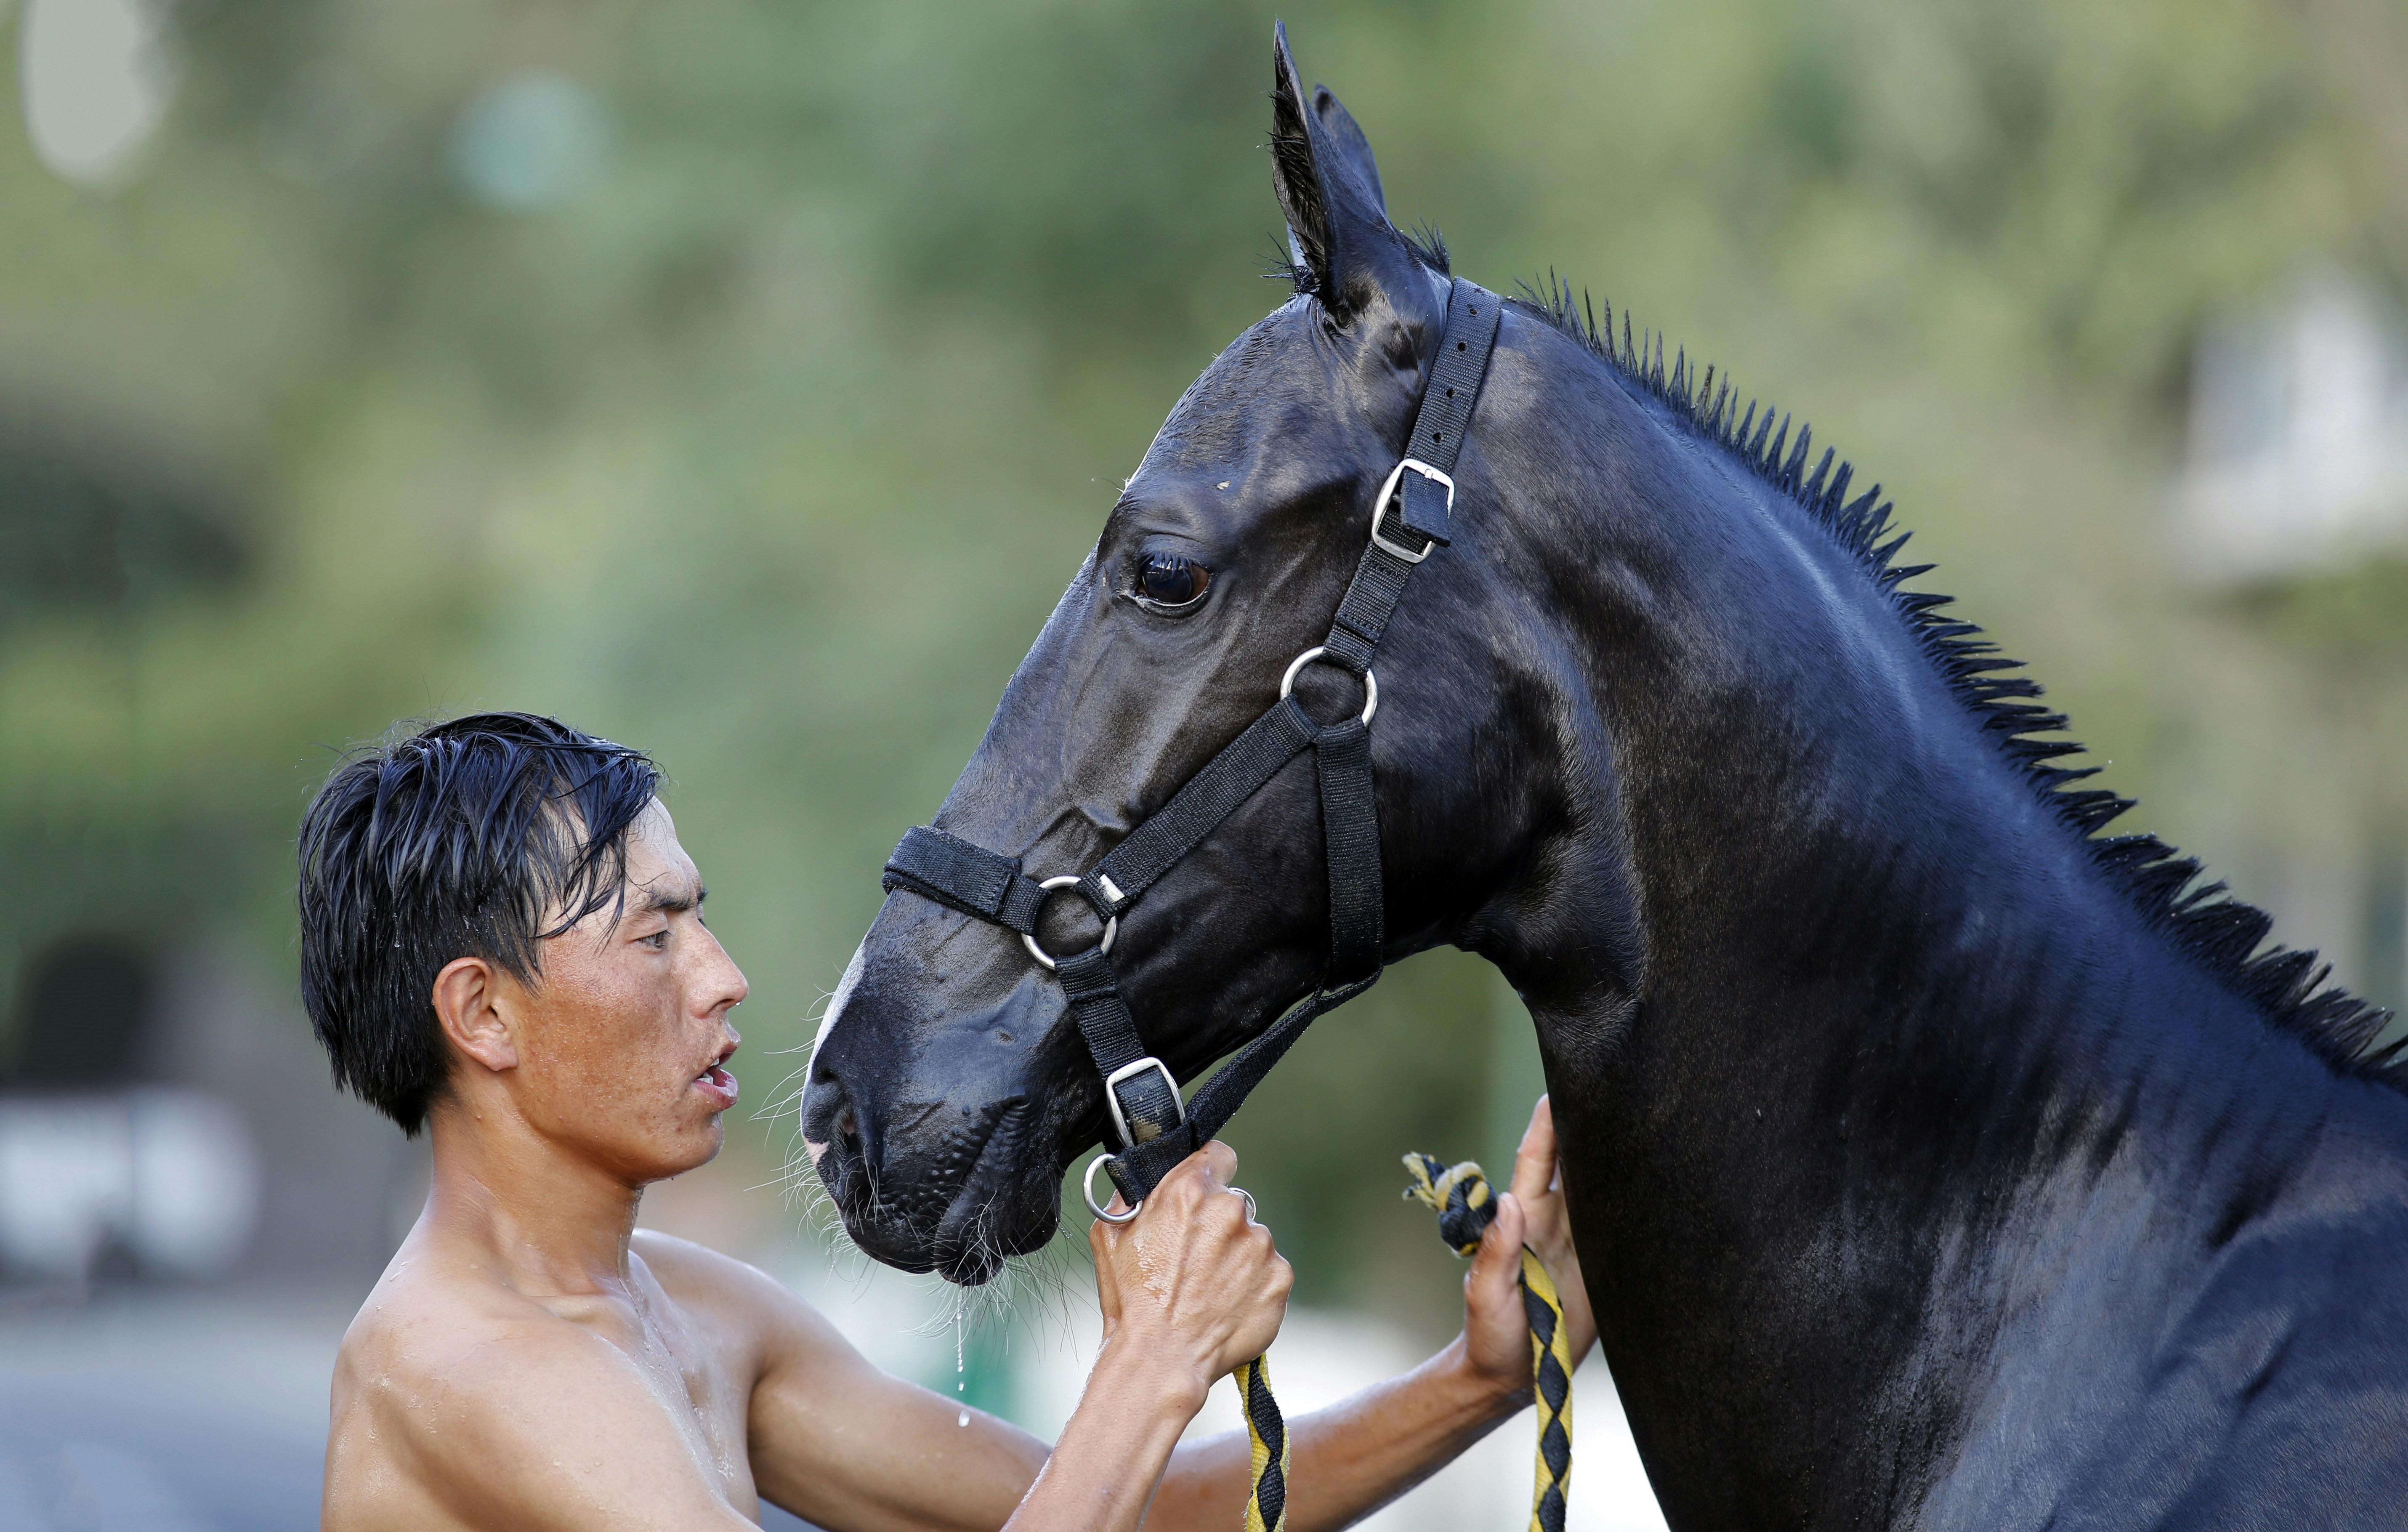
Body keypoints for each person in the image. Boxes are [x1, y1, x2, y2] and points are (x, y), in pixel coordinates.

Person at [299, 712, 1593, 1532]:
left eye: (699, 916)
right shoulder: (467, 1367)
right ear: (482, 1015)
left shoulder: (697, 1311)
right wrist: (1149, 1362)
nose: (723, 975)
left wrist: (1482, 1375)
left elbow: (1129, 1510)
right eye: (655, 934)